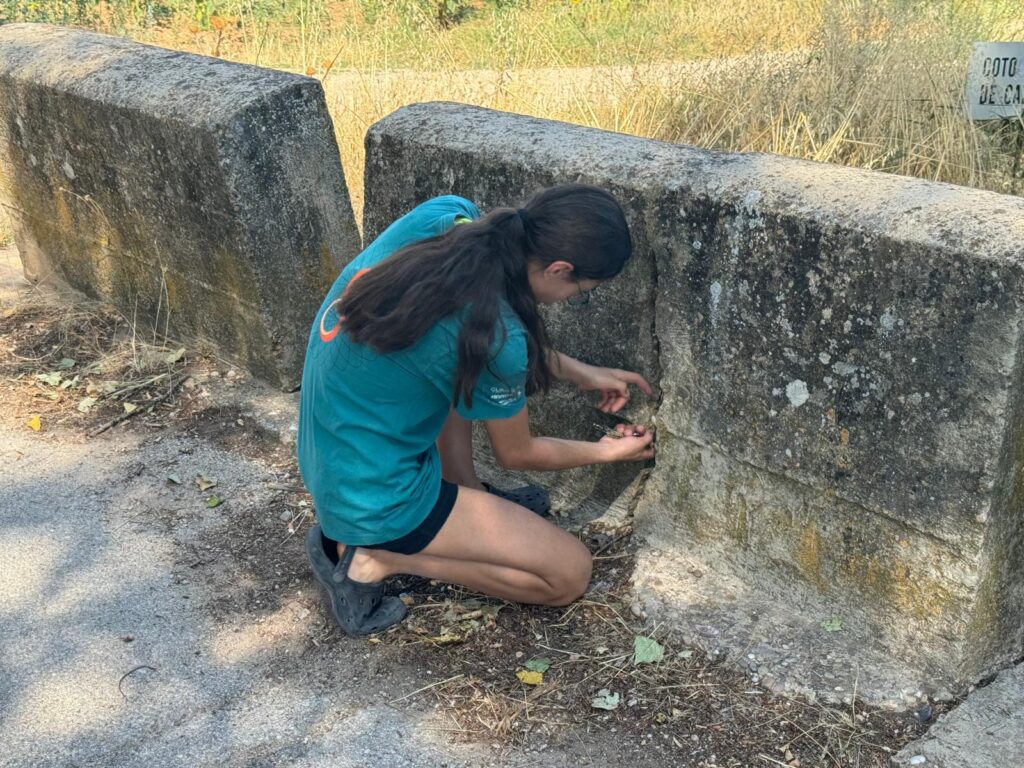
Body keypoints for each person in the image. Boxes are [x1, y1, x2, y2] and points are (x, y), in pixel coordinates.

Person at [297, 184, 655, 636]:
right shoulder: (495, 337)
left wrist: (578, 371)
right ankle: (374, 557)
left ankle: (461, 488)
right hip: (375, 494)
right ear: (559, 269)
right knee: (568, 574)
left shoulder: (448, 218)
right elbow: (518, 454)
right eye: (581, 293)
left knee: (455, 368)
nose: (573, 300)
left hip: (329, 454)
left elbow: (459, 340)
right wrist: (608, 451)